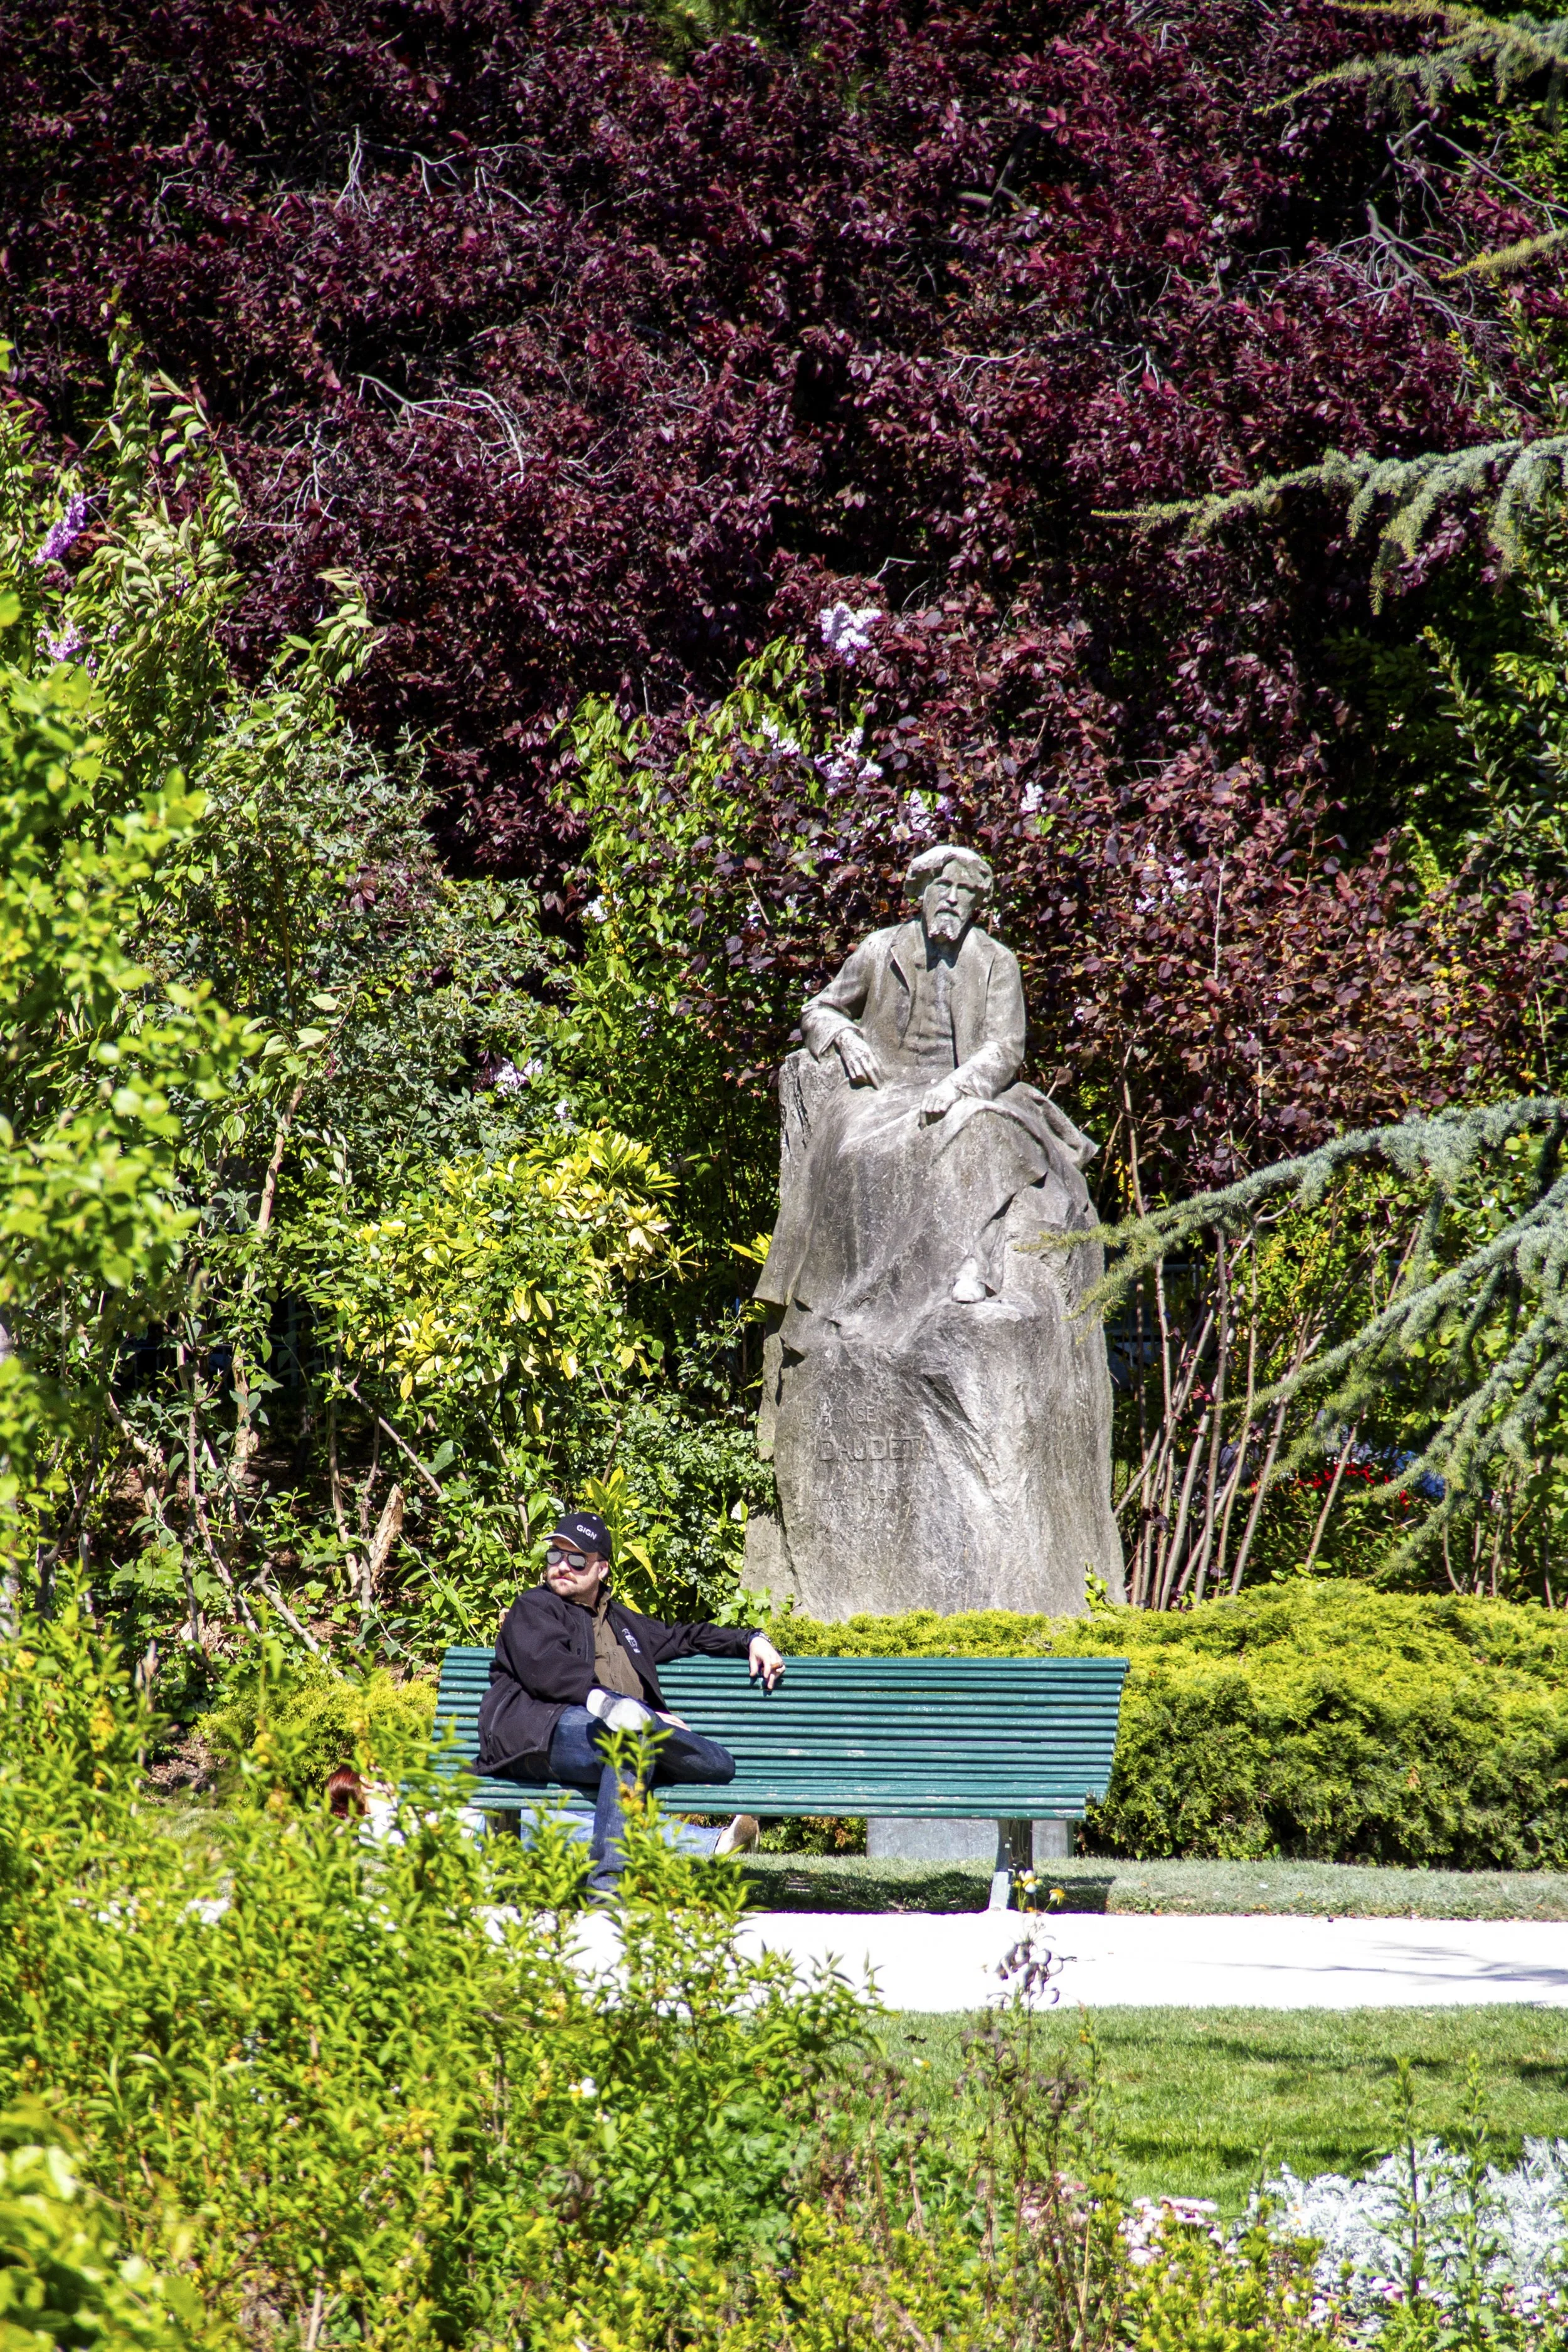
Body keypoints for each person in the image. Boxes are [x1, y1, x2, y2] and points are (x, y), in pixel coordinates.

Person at [475, 1510, 786, 1894]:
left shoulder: (623, 1623)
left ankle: (646, 1732)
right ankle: (608, 1889)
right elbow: (549, 1669)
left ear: (602, 1569)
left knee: (717, 1763)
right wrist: (619, 1706)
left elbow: (685, 1637)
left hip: (614, 1745)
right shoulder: (535, 1608)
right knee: (628, 1735)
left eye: (576, 1559)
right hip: (537, 1736)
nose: (561, 1567)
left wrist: (751, 1639)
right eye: (554, 1556)